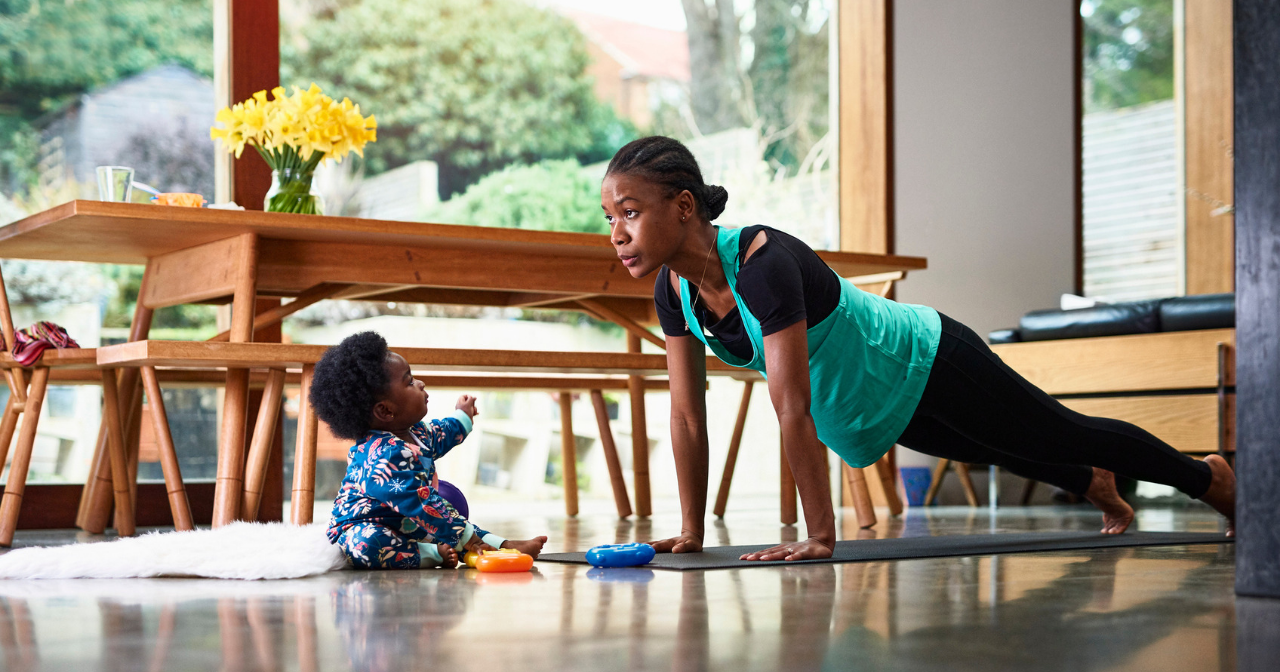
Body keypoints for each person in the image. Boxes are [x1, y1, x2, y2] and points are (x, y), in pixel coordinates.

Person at [600, 136, 1236, 562]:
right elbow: (686, 416)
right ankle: (1091, 482)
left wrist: (822, 535)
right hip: (872, 397)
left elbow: (792, 407)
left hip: (926, 357)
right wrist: (690, 530)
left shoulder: (761, 262)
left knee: (1059, 429)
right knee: (996, 446)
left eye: (628, 212)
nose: (616, 233)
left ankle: (1208, 480)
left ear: (684, 206)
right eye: (609, 218)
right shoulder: (672, 290)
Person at [311, 331, 547, 569]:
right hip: (363, 527)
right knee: (367, 543)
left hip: (408, 523)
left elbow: (442, 432)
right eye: (409, 381)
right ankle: (430, 554)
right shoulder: (381, 456)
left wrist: (462, 416)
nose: (420, 383)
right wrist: (467, 539)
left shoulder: (416, 432)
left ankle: (502, 545)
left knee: (447, 523)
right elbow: (421, 504)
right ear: (385, 411)